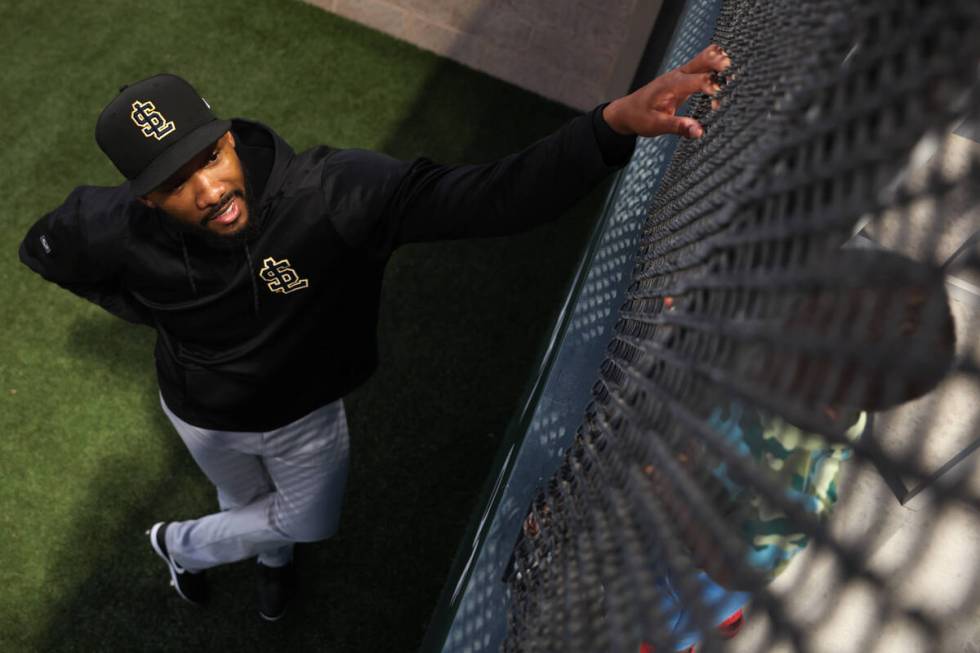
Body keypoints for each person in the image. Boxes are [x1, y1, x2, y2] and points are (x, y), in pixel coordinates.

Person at [18, 46, 733, 620]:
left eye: (209, 156)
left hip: (306, 418)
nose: (208, 188)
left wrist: (607, 127)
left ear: (229, 138)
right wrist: (148, 309)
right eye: (176, 180)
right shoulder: (108, 225)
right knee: (246, 509)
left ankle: (180, 546)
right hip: (200, 416)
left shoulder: (333, 194)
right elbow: (41, 251)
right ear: (147, 196)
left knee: (309, 520)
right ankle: (269, 560)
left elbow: (491, 197)